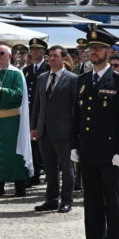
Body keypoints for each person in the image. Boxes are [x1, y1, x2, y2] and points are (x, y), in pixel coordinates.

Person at [72, 28, 119, 239]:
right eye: (91, 49)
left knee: (112, 201)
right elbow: (77, 117)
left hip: (110, 154)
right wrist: (74, 144)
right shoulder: (83, 81)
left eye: (98, 48)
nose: (93, 52)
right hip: (88, 151)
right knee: (92, 202)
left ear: (109, 52)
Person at [30, 45, 77, 213]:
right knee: (50, 169)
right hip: (44, 130)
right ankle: (51, 199)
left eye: (55, 56)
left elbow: (75, 108)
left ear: (64, 58)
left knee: (66, 167)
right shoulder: (42, 77)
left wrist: (74, 131)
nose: (51, 59)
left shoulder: (72, 79)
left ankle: (66, 200)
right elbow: (37, 104)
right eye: (50, 56)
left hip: (64, 131)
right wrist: (34, 126)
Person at [0, 45, 33, 197]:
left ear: (10, 56)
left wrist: (0, 91)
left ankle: (20, 185)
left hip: (12, 120)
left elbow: (19, 95)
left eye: (2, 53)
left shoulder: (17, 73)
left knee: (14, 153)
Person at [23, 38, 50, 186]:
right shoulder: (26, 70)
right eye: (32, 49)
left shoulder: (48, 68)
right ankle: (34, 174)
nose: (34, 52)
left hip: (44, 112)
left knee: (44, 143)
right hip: (30, 111)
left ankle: (47, 170)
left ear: (43, 52)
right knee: (32, 144)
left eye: (37, 49)